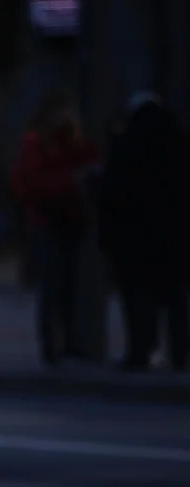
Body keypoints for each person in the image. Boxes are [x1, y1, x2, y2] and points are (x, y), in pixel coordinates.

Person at [99, 92, 190, 371]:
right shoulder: (179, 144)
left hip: (135, 238)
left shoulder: (126, 146)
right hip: (176, 237)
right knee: (177, 299)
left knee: (139, 297)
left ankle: (140, 352)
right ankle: (179, 355)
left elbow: (112, 194)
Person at [11, 91, 100, 366]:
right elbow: (33, 181)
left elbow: (89, 159)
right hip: (48, 220)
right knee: (53, 285)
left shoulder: (72, 142)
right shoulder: (37, 143)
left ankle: (71, 343)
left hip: (70, 221)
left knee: (69, 286)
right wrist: (70, 181)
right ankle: (52, 346)